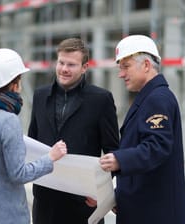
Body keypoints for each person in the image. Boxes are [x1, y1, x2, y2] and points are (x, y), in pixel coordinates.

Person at [0, 48, 67, 224]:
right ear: (14, 84)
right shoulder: (9, 120)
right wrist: (50, 157)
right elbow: (18, 174)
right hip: (9, 215)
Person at [27, 37, 119, 224]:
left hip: (83, 202)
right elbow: (33, 140)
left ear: (84, 67)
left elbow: (113, 151)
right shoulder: (40, 95)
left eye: (71, 64)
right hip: (45, 200)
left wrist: (101, 193)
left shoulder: (101, 100)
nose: (64, 69)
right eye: (61, 62)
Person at [99, 35, 185, 224]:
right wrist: (118, 196)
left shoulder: (158, 99)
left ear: (146, 65)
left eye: (126, 66)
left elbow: (157, 147)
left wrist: (119, 160)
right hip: (145, 209)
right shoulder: (150, 97)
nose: (121, 74)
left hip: (155, 214)